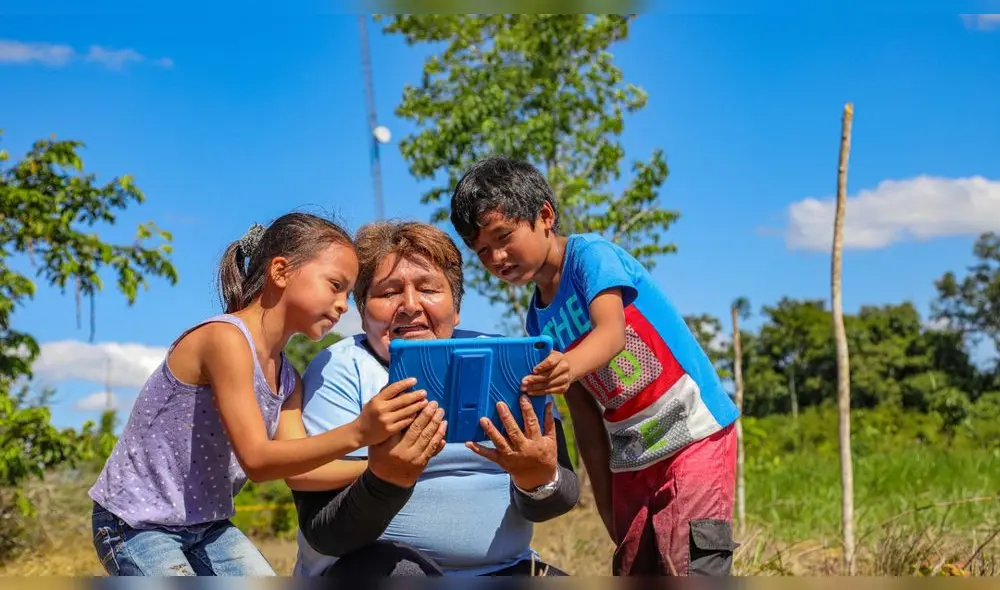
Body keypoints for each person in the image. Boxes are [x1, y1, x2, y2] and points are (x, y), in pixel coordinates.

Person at [87, 212, 430, 576]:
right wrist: (361, 432)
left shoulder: (287, 378)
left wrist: (381, 467)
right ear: (280, 271)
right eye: (334, 285)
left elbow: (301, 473)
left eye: (348, 293)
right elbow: (258, 460)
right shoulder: (225, 339)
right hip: (136, 523)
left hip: (206, 526)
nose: (344, 304)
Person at [450, 156, 742, 577]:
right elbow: (585, 415)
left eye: (503, 236)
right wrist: (609, 511)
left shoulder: (590, 257)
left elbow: (611, 333)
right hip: (633, 451)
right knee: (633, 566)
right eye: (482, 250)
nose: (496, 256)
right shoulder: (538, 319)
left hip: (691, 434)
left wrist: (566, 364)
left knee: (689, 567)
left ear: (545, 216)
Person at [283, 220, 580, 578]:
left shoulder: (509, 360)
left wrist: (536, 480)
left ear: (455, 307)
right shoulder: (340, 367)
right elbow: (324, 532)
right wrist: (386, 480)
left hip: (505, 569)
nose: (409, 305)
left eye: (428, 288)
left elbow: (560, 498)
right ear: (363, 313)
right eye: (388, 292)